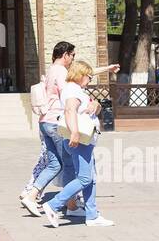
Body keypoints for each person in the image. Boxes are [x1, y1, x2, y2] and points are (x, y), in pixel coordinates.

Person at [42, 60, 114, 228]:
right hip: (79, 140)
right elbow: (69, 110)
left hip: (84, 140)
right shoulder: (72, 90)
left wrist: (95, 105)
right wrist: (74, 132)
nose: (90, 80)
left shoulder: (76, 89)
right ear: (80, 75)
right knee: (84, 178)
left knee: (90, 178)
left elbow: (88, 109)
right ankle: (54, 205)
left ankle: (92, 215)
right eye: (89, 77)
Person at [20, 42, 82, 217]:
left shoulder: (51, 70)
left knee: (55, 164)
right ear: (65, 55)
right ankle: (71, 206)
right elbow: (66, 95)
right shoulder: (61, 71)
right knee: (69, 163)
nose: (72, 59)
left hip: (44, 121)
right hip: (56, 121)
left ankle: (31, 196)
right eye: (72, 55)